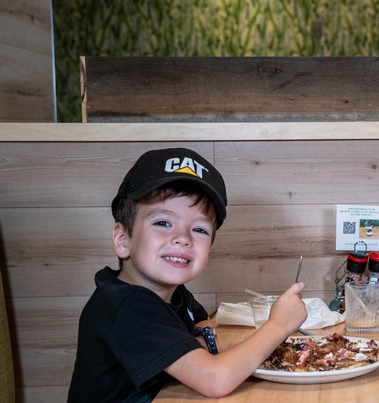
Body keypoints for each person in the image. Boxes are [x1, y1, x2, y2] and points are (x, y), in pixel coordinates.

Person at [68, 147, 308, 402]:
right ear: (122, 239)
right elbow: (215, 379)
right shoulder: (123, 304)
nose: (182, 238)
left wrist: (204, 339)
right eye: (163, 223)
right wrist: (279, 324)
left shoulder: (176, 296)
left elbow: (204, 335)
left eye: (199, 229)